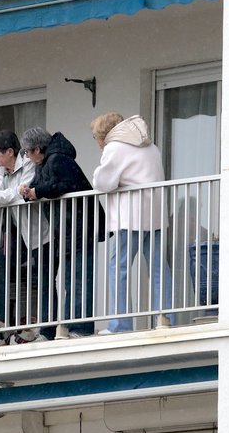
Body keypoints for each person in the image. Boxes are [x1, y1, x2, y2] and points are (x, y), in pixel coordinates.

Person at [91, 113, 174, 332]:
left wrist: (99, 172)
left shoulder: (115, 147)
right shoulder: (150, 146)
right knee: (158, 267)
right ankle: (165, 319)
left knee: (118, 268)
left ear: (103, 134)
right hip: (154, 214)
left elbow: (103, 183)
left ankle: (120, 324)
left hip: (129, 216)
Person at [19, 127, 97, 339]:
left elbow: (65, 185)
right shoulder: (45, 162)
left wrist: (38, 192)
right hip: (67, 229)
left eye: (27, 152)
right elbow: (39, 186)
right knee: (72, 279)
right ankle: (74, 327)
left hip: (80, 227)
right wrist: (27, 191)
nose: (26, 156)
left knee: (79, 279)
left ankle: (81, 328)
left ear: (37, 149)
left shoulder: (58, 159)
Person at [0, 130, 49, 348]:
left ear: (10, 152)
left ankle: (47, 328)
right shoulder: (0, 167)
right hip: (14, 231)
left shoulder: (28, 164)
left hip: (37, 230)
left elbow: (17, 194)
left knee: (44, 278)